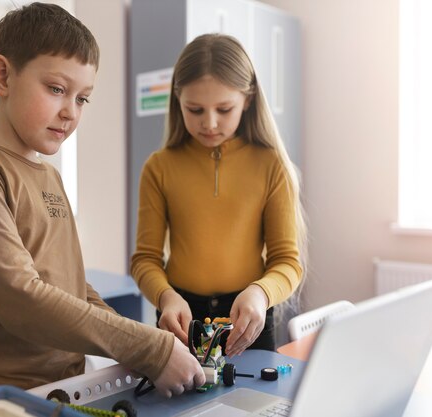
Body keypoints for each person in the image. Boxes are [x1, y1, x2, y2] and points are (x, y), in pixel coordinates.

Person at [0, 2, 204, 403]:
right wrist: (148, 348)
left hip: (61, 391)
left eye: (82, 99)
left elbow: (70, 286)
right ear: (3, 75)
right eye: (57, 89)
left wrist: (151, 342)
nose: (70, 112)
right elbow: (22, 299)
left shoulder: (50, 175)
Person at [131, 33, 307, 357]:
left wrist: (261, 294)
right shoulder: (159, 168)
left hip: (249, 316)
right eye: (195, 109)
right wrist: (165, 297)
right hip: (181, 316)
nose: (209, 123)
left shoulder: (272, 165)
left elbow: (288, 263)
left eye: (224, 109)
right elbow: (144, 260)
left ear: (249, 99)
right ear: (177, 100)